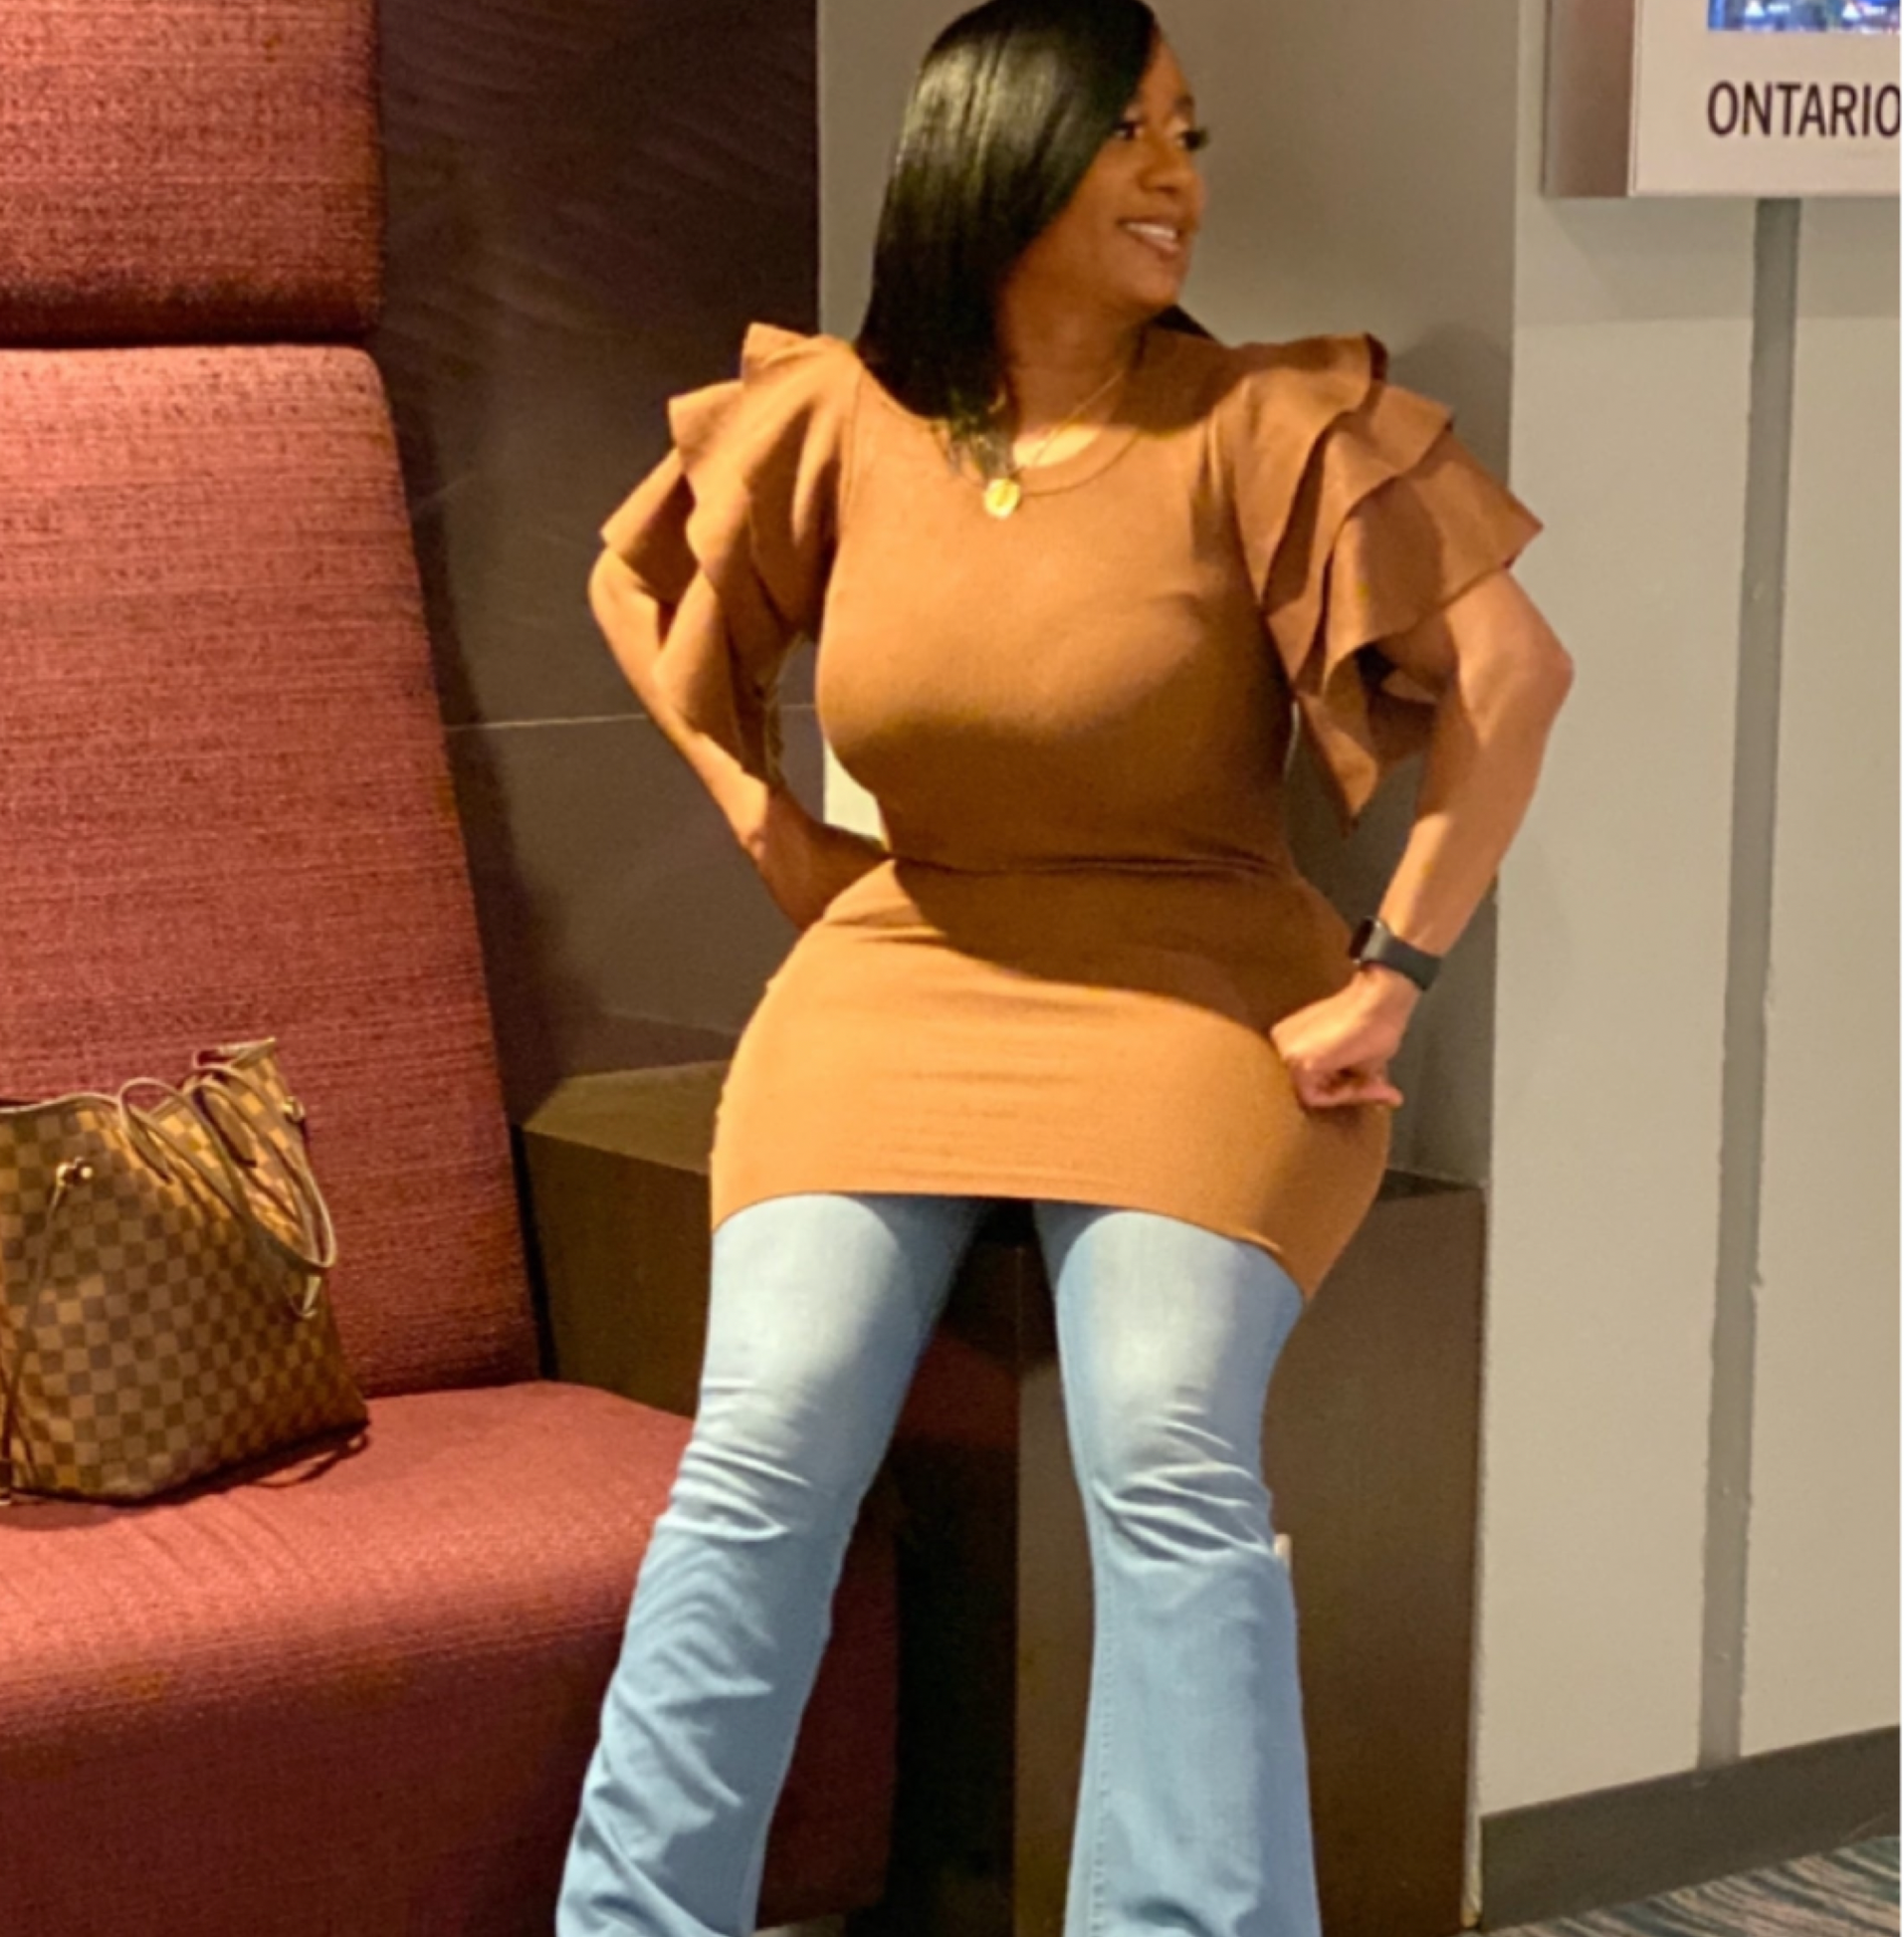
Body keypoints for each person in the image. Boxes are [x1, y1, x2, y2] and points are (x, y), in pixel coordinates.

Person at [556, 0, 1575, 1931]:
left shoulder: (1264, 420)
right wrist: (772, 829)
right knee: (762, 1441)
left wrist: (1396, 971)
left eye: (1191, 137)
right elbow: (637, 581)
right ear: (1003, 151)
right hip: (901, 968)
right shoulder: (839, 416)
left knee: (1168, 1447)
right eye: (1137, 134)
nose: (1181, 178)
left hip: (1195, 988)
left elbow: (1515, 676)